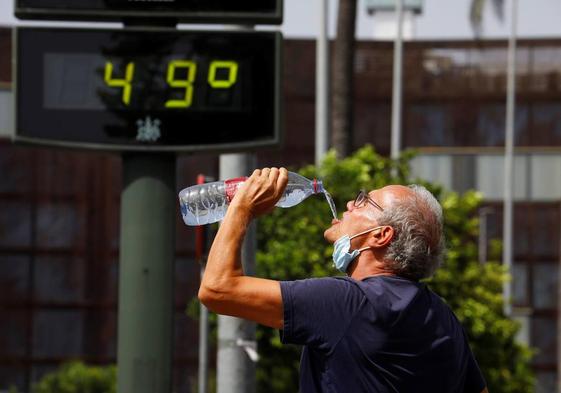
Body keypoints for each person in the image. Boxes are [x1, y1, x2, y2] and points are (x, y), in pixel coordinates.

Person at [198, 167, 488, 393]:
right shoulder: (442, 316)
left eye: (364, 201)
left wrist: (241, 208)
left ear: (380, 235)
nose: (350, 202)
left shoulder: (346, 303)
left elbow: (217, 288)